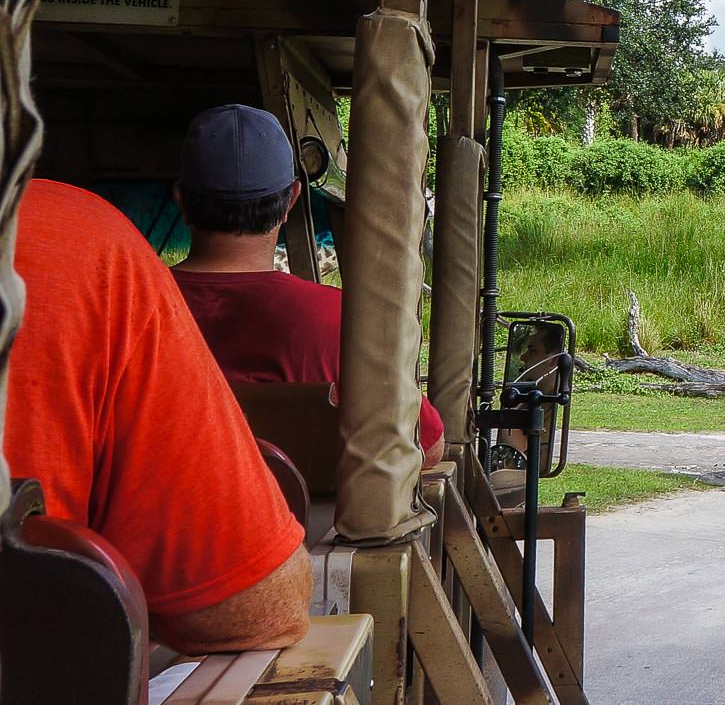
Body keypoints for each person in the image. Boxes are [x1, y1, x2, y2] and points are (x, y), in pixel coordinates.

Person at [4, 179, 311, 653]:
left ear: (181, 198)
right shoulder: (94, 259)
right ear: (292, 199)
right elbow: (254, 607)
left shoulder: (118, 276)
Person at [169, 105, 444, 467]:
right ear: (292, 200)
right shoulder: (341, 319)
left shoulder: (125, 309)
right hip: (303, 523)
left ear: (180, 198)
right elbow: (426, 447)